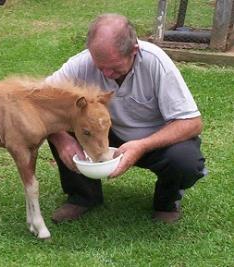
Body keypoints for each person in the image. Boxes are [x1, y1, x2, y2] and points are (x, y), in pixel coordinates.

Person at [46, 13, 207, 224]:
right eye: (99, 65)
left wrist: (141, 146)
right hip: (107, 133)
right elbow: (39, 103)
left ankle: (167, 202)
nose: (105, 72)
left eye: (113, 66)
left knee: (185, 161)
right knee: (60, 123)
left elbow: (192, 122)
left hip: (155, 140)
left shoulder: (156, 62)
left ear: (134, 50)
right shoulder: (82, 63)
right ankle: (82, 197)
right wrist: (61, 139)